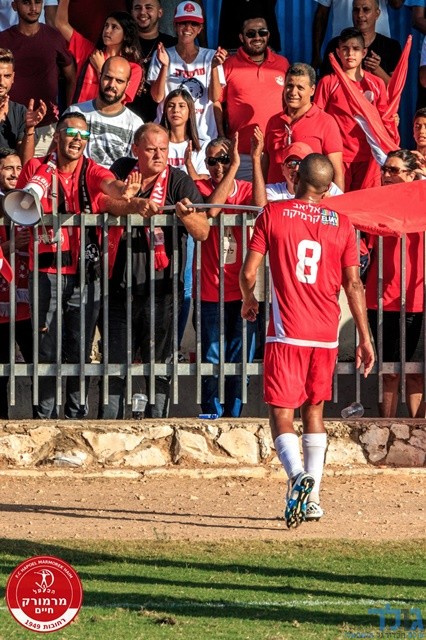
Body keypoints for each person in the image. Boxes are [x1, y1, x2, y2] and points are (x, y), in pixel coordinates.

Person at [240, 153, 374, 527]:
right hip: (326, 334)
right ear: (328, 187)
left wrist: (249, 299)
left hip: (287, 331)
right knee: (314, 411)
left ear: (297, 178)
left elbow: (248, 272)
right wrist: (364, 337)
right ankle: (313, 500)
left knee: (281, 413)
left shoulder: (273, 214)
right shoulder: (342, 223)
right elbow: (354, 284)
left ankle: (298, 476)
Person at [16, 111, 135, 420]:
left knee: (80, 347)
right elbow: (21, 200)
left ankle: (75, 416)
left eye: (84, 135)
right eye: (71, 133)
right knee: (46, 348)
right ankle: (44, 417)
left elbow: (108, 184)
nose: (77, 140)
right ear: (57, 136)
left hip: (85, 273)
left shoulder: (91, 169)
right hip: (46, 271)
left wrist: (123, 191)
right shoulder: (36, 168)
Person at [97, 123, 209, 419]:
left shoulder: (179, 180)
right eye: (151, 149)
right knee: (114, 367)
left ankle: (157, 422)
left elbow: (203, 231)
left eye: (163, 149)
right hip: (119, 288)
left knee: (159, 366)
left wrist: (186, 217)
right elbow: (104, 202)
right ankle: (109, 425)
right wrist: (132, 203)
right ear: (136, 149)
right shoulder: (122, 170)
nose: (159, 155)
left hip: (163, 291)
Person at [194, 134, 257, 417]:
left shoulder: (245, 189)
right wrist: (233, 169)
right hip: (211, 291)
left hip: (243, 293)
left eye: (224, 159)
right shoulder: (200, 187)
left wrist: (252, 160)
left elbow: (260, 206)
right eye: (212, 161)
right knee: (211, 360)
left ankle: (234, 418)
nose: (218, 166)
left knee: (240, 361)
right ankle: (211, 416)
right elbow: (213, 209)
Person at [365, 149, 425, 418]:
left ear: (411, 175)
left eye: (394, 170)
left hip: (417, 298)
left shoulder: (422, 200)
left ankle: (417, 433)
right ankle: (385, 430)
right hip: (381, 298)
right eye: (385, 169)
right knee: (388, 372)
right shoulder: (375, 200)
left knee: (416, 373)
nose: (387, 174)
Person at [160, 88, 209, 349]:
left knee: (184, 284)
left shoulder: (202, 146)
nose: (175, 110)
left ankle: (174, 346)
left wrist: (189, 167)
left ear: (190, 111)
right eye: (171, 105)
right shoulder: (157, 141)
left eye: (181, 105)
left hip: (187, 223)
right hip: (158, 221)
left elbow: (205, 184)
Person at [315, 28, 388, 191]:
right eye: (345, 49)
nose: (350, 53)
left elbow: (385, 119)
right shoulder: (328, 82)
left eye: (355, 49)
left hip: (370, 157)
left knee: (366, 203)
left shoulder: (376, 84)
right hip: (337, 157)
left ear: (364, 52)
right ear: (338, 52)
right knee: (339, 202)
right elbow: (318, 119)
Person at [0, 0, 74, 156]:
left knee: (39, 172)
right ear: (14, 6)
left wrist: (67, 113)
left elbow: (71, 77)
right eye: (27, 3)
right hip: (7, 127)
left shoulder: (54, 37)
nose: (33, 8)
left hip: (46, 128)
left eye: (38, 2)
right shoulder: (3, 40)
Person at [220, 16, 290, 181]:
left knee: (274, 196)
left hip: (276, 152)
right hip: (242, 154)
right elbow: (217, 102)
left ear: (268, 35)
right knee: (243, 197)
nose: (257, 37)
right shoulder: (228, 65)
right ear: (241, 37)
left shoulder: (283, 64)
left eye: (262, 32)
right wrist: (222, 136)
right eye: (251, 34)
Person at [147, 1, 225, 141]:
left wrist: (214, 67)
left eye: (194, 24)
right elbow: (157, 97)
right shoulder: (163, 54)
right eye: (183, 23)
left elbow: (215, 98)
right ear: (175, 26)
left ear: (200, 28)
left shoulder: (211, 56)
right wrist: (165, 66)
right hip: (169, 136)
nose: (188, 28)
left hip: (204, 136)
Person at [263, 62, 345, 190]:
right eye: (289, 86)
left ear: (312, 90)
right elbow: (266, 163)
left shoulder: (326, 122)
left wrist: (336, 200)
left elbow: (337, 172)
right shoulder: (273, 121)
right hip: (275, 197)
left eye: (300, 88)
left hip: (309, 199)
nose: (293, 92)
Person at [0, 147, 34, 419]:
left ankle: (42, 418)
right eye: (7, 168)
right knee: (1, 367)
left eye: (18, 168)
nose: (14, 173)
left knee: (37, 363)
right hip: (1, 300)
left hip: (29, 299)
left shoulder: (30, 201)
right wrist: (8, 246)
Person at [55, 0, 142, 105]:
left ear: (126, 35)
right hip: (79, 114)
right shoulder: (90, 51)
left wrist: (101, 68)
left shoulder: (133, 68)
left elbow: (117, 101)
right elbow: (61, 23)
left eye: (114, 27)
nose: (107, 30)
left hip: (105, 115)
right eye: (106, 25)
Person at [64, 57, 144, 168]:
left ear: (127, 85)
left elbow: (138, 167)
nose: (112, 85)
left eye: (119, 81)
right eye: (108, 77)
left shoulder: (136, 124)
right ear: (100, 76)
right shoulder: (74, 112)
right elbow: (58, 154)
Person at [318, 0, 401, 83]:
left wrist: (377, 70)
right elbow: (325, 85)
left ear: (377, 14)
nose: (360, 15)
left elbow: (396, 88)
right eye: (356, 10)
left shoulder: (391, 47)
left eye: (366, 9)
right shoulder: (335, 45)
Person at [128, 0, 177, 123]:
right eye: (137, 8)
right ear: (132, 12)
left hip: (161, 120)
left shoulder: (172, 44)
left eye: (148, 7)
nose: (142, 12)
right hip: (126, 117)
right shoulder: (123, 41)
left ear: (160, 12)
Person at [0, 48, 47, 166]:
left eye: (7, 76)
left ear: (13, 77)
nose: (1, 82)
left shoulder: (20, 111)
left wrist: (29, 129)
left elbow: (25, 162)